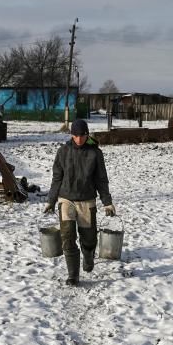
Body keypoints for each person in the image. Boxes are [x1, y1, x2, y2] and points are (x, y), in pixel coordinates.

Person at [44, 119, 115, 286]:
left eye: (82, 136)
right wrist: (51, 200)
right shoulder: (63, 151)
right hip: (66, 199)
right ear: (71, 135)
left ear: (87, 135)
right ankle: (73, 275)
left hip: (87, 200)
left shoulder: (95, 153)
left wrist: (107, 202)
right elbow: (57, 178)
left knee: (89, 238)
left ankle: (88, 255)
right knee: (67, 237)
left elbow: (101, 179)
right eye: (75, 136)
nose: (79, 139)